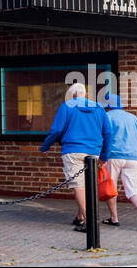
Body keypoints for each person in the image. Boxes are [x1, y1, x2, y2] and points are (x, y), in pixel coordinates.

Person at [40, 82, 112, 232]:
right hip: (94, 152)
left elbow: (56, 130)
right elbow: (108, 134)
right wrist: (104, 156)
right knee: (88, 185)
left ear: (72, 95)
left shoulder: (67, 106)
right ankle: (81, 217)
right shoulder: (99, 108)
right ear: (85, 94)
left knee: (78, 185)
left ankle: (90, 222)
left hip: (73, 150)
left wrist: (45, 146)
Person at [99, 93, 137, 230]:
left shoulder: (106, 117)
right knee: (134, 189)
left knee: (111, 187)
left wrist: (102, 157)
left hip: (113, 156)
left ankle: (114, 218)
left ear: (107, 106)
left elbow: (103, 138)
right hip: (134, 158)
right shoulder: (133, 118)